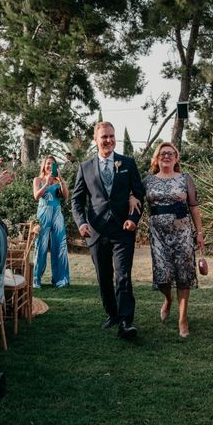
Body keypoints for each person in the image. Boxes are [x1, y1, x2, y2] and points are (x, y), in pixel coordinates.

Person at [71, 121, 145, 339]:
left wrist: (133, 218)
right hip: (96, 230)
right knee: (104, 277)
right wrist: (81, 223)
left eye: (112, 136)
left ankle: (125, 321)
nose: (109, 140)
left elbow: (139, 194)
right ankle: (112, 313)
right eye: (104, 137)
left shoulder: (127, 163)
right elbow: (76, 201)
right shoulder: (84, 167)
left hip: (123, 229)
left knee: (123, 275)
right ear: (96, 139)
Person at [143, 142, 204, 338]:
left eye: (171, 153)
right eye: (162, 154)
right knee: (163, 276)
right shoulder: (148, 181)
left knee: (184, 274)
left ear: (176, 158)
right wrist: (131, 199)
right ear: (156, 158)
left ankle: (183, 319)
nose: (166, 156)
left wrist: (200, 233)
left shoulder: (185, 178)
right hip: (158, 234)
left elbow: (194, 206)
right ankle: (168, 300)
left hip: (183, 232)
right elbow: (134, 196)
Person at [33, 155, 70, 288]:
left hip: (57, 214)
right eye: (48, 164)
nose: (50, 166)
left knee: (60, 245)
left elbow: (65, 197)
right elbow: (36, 196)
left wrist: (61, 181)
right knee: (40, 246)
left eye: (52, 164)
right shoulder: (38, 179)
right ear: (43, 165)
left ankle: (61, 279)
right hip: (43, 214)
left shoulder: (57, 181)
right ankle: (36, 279)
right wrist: (46, 183)